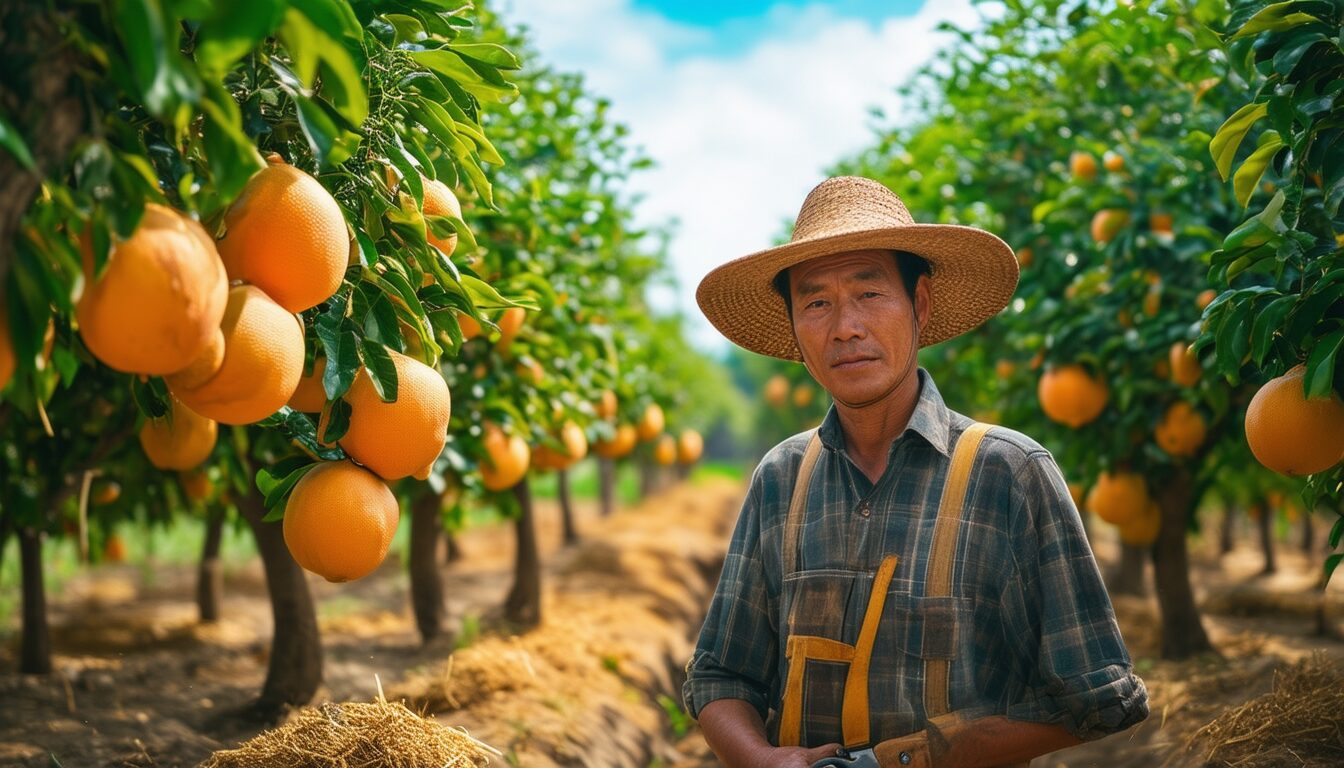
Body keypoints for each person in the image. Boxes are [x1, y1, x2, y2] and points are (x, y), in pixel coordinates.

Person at [683, 176, 1147, 768]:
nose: (844, 326)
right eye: (816, 302)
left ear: (919, 304)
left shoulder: (1010, 474)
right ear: (796, 331)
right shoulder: (781, 479)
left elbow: (1102, 697)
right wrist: (762, 757)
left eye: (869, 293)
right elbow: (720, 676)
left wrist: (936, 753)